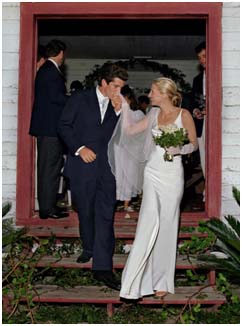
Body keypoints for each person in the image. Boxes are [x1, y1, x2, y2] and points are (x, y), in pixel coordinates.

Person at [108, 77, 198, 299]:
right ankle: (134, 282)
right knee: (147, 222)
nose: (149, 94)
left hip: (172, 174)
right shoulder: (152, 115)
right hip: (152, 172)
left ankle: (162, 281)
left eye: (153, 91)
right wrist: (125, 106)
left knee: (168, 224)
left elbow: (194, 144)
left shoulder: (183, 114)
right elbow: (129, 131)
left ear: (165, 93)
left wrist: (179, 149)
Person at [58, 63, 128, 291]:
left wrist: (119, 113)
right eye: (116, 86)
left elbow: (119, 136)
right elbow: (63, 125)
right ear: (104, 82)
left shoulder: (118, 105)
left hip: (107, 169)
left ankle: (103, 268)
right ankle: (88, 247)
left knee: (105, 215)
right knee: (86, 210)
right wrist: (79, 148)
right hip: (81, 166)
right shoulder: (79, 98)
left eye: (122, 87)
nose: (119, 91)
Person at [29, 39, 69, 219]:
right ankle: (47, 209)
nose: (64, 58)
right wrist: (74, 101)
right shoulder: (51, 72)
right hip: (50, 130)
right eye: (64, 54)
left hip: (48, 129)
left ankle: (49, 206)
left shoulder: (47, 70)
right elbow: (57, 98)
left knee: (50, 168)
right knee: (49, 170)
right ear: (60, 53)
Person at [117, 85, 145, 213]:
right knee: (118, 174)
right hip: (118, 148)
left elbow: (141, 132)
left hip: (131, 148)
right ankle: (117, 200)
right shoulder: (117, 112)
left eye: (125, 99)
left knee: (129, 174)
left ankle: (126, 202)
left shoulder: (137, 113)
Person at [192, 41, 206, 202]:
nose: (201, 60)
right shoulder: (197, 79)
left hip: (216, 123)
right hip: (201, 125)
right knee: (204, 160)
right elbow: (195, 102)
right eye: (199, 57)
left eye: (204, 56)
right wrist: (196, 111)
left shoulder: (220, 74)